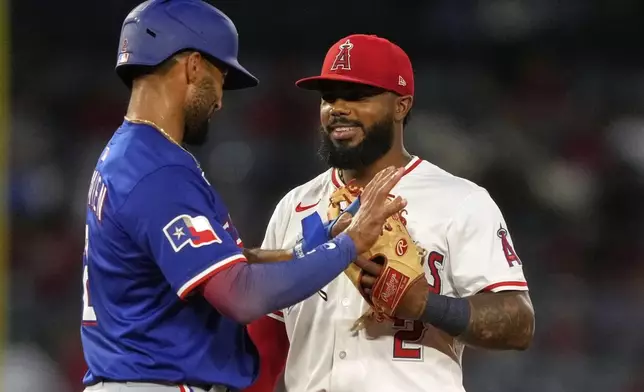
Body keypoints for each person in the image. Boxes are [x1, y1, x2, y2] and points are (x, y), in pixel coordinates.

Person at [80, 3, 406, 392]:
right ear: (194, 67)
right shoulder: (158, 172)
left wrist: (325, 241)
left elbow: (224, 265)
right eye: (220, 77)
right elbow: (238, 296)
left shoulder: (131, 154)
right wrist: (350, 246)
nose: (220, 99)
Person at [245, 34, 536, 392]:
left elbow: (519, 324)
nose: (338, 108)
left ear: (401, 106)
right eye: (329, 96)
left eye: (357, 96)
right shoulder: (295, 205)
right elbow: (269, 338)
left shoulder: (459, 201)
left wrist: (426, 305)